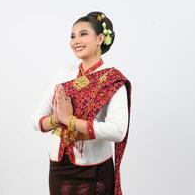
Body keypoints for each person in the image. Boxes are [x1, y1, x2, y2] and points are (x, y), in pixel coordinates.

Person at [31, 11, 132, 195]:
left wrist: (70, 120)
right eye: (72, 36)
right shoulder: (63, 75)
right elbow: (35, 120)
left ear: (100, 38)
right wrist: (57, 119)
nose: (75, 41)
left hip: (94, 169)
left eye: (83, 34)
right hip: (59, 167)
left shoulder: (112, 80)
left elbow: (117, 131)